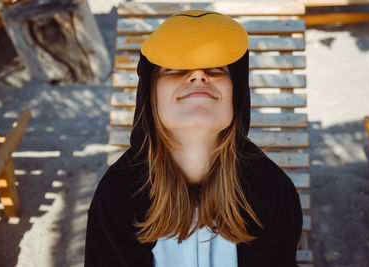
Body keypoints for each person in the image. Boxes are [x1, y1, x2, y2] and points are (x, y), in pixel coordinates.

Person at [85, 10, 302, 267]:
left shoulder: (271, 191)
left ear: (236, 96)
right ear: (150, 98)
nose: (198, 75)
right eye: (175, 68)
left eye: (215, 68)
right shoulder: (120, 193)